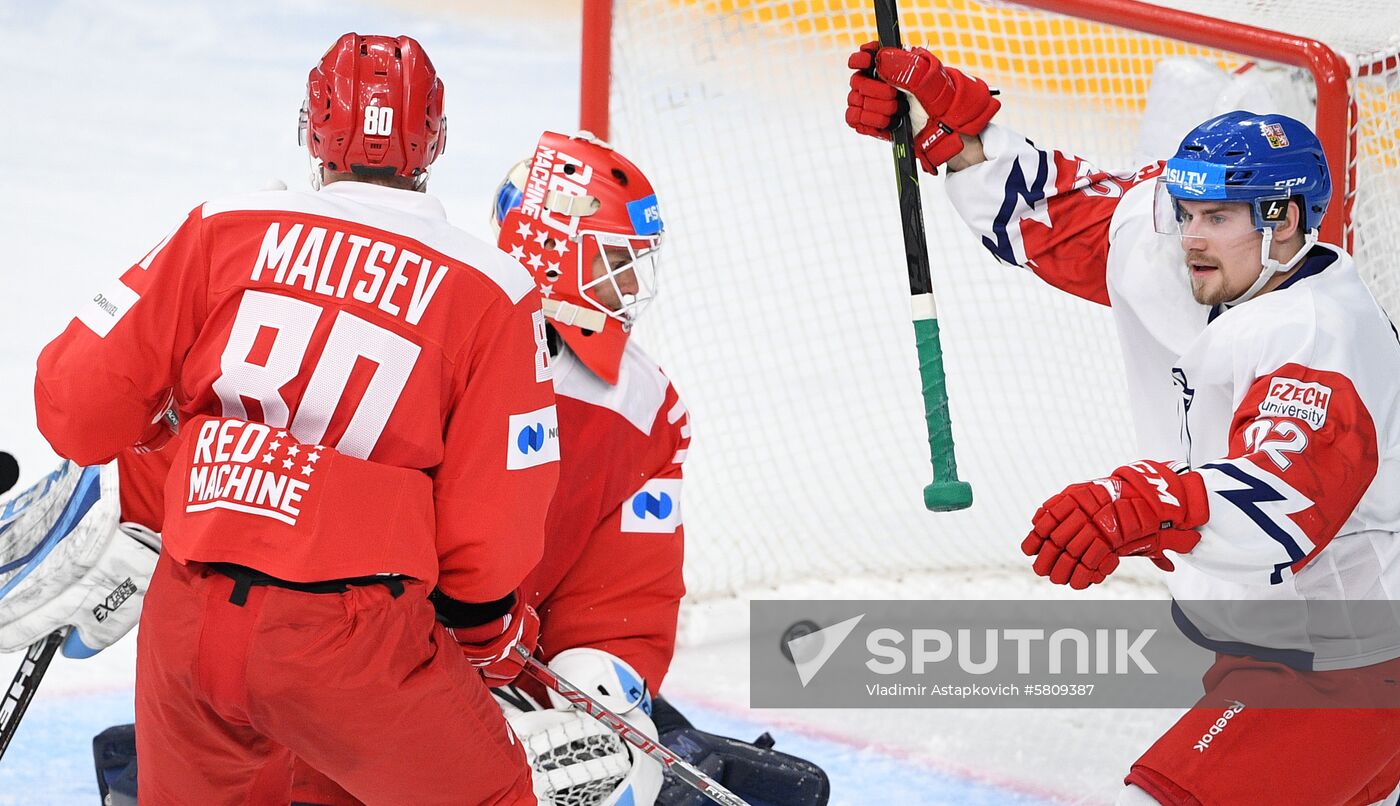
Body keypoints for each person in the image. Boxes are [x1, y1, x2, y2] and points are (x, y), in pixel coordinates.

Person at [847, 44, 1400, 805]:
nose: (1192, 235)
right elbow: (1065, 215)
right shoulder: (1178, 248)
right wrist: (953, 137)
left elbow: (1284, 502)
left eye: (1219, 217)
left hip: (1349, 666)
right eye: (1185, 210)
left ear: (1285, 223)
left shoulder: (1320, 338)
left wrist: (1145, 504)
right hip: (1269, 644)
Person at [33, 32, 556, 805]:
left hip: (188, 619)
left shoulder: (224, 224)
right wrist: (481, 628)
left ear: (312, 127)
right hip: (351, 641)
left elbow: (76, 405)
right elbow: (490, 528)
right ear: (435, 140)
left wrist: (170, 459)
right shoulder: (493, 291)